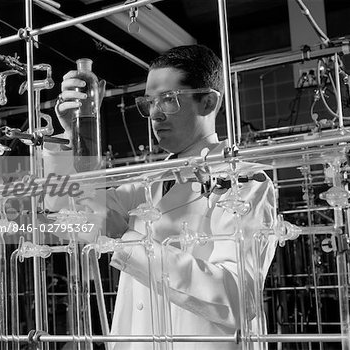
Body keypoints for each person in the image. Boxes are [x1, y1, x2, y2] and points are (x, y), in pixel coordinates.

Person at [46, 44, 277, 350]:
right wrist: (68, 138)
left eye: (168, 100)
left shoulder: (245, 182)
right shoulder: (148, 182)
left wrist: (130, 242)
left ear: (208, 102)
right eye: (149, 102)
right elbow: (67, 217)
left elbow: (236, 298)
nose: (154, 115)